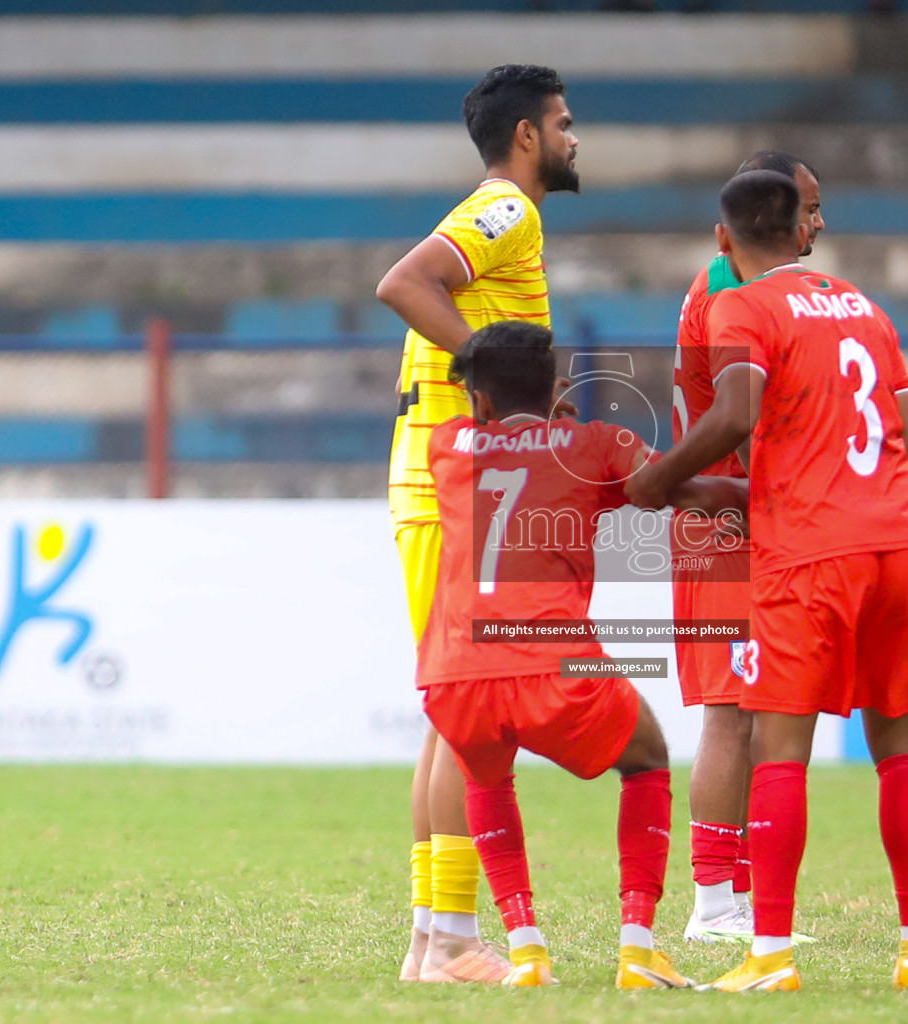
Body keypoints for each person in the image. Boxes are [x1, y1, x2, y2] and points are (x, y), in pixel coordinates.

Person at [626, 170, 908, 993]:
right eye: (814, 206)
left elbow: (737, 415)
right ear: (799, 226)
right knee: (898, 744)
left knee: (773, 739)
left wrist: (655, 482)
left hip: (805, 543)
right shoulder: (863, 306)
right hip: (900, 540)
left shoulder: (739, 304)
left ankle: (766, 952)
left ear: (726, 235)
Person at [421, 321, 744, 987]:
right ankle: (636, 946)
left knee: (484, 777)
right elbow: (685, 494)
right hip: (551, 665)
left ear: (478, 401)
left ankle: (528, 949)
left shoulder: (446, 445)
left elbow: (501, 438)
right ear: (559, 388)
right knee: (647, 758)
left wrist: (531, 417)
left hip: (454, 673)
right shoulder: (595, 444)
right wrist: (759, 496)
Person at [374, 62, 579, 983]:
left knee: (452, 718)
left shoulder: (507, 220)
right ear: (527, 136)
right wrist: (500, 378)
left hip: (440, 482)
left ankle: (429, 940)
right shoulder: (509, 208)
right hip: (459, 486)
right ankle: (456, 939)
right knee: (472, 721)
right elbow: (404, 282)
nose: (576, 139)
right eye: (565, 123)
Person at [671, 150, 824, 944]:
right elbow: (746, 419)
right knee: (732, 714)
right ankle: (712, 906)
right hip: (729, 523)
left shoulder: (740, 287)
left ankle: (737, 898)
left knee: (757, 712)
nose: (818, 222)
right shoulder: (732, 290)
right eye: (808, 204)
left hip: (741, 521)